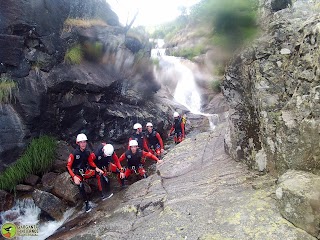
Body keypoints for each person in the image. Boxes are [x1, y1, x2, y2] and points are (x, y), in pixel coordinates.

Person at [66, 133, 95, 213]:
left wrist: (96, 169)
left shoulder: (87, 152)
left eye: (84, 142)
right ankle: (86, 204)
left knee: (99, 174)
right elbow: (68, 166)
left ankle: (103, 195)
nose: (83, 144)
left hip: (85, 171)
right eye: (81, 142)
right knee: (80, 185)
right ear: (78, 143)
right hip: (77, 173)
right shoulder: (74, 154)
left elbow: (90, 162)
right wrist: (74, 176)